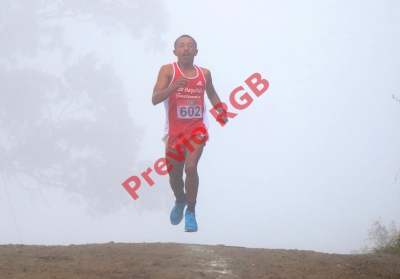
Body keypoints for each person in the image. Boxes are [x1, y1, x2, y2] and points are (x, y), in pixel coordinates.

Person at [152, 35, 227, 232]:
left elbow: (210, 92)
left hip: (197, 130)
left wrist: (220, 110)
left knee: (191, 167)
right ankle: (180, 200)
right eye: (181, 46)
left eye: (190, 46)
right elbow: (154, 98)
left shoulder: (204, 74)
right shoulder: (168, 70)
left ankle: (191, 212)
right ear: (175, 52)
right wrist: (173, 87)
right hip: (174, 133)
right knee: (174, 177)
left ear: (196, 52)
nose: (186, 49)